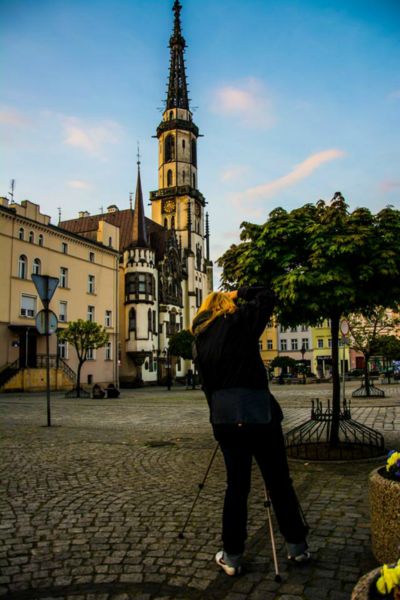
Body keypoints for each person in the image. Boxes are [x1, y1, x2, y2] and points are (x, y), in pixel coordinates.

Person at [191, 287, 310, 576]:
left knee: (237, 486)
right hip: (260, 416)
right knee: (279, 480)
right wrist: (238, 293)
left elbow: (207, 387)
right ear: (226, 306)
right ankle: (297, 547)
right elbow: (268, 295)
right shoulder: (239, 321)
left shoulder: (200, 340)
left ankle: (232, 556)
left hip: (226, 419)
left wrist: (218, 416)